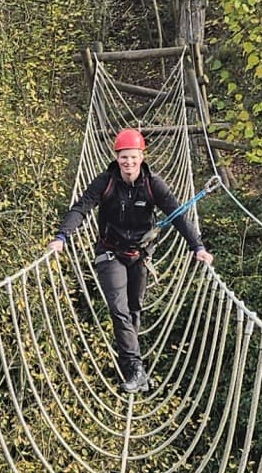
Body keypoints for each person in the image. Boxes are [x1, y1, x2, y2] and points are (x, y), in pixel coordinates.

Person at [47, 128, 212, 392]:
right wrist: (61, 237)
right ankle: (135, 368)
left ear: (142, 157)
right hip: (110, 253)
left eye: (134, 157)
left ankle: (132, 369)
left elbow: (178, 214)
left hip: (139, 255)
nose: (129, 163)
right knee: (120, 309)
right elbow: (81, 208)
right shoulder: (106, 181)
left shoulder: (152, 183)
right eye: (124, 157)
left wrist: (197, 247)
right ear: (117, 157)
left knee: (135, 308)